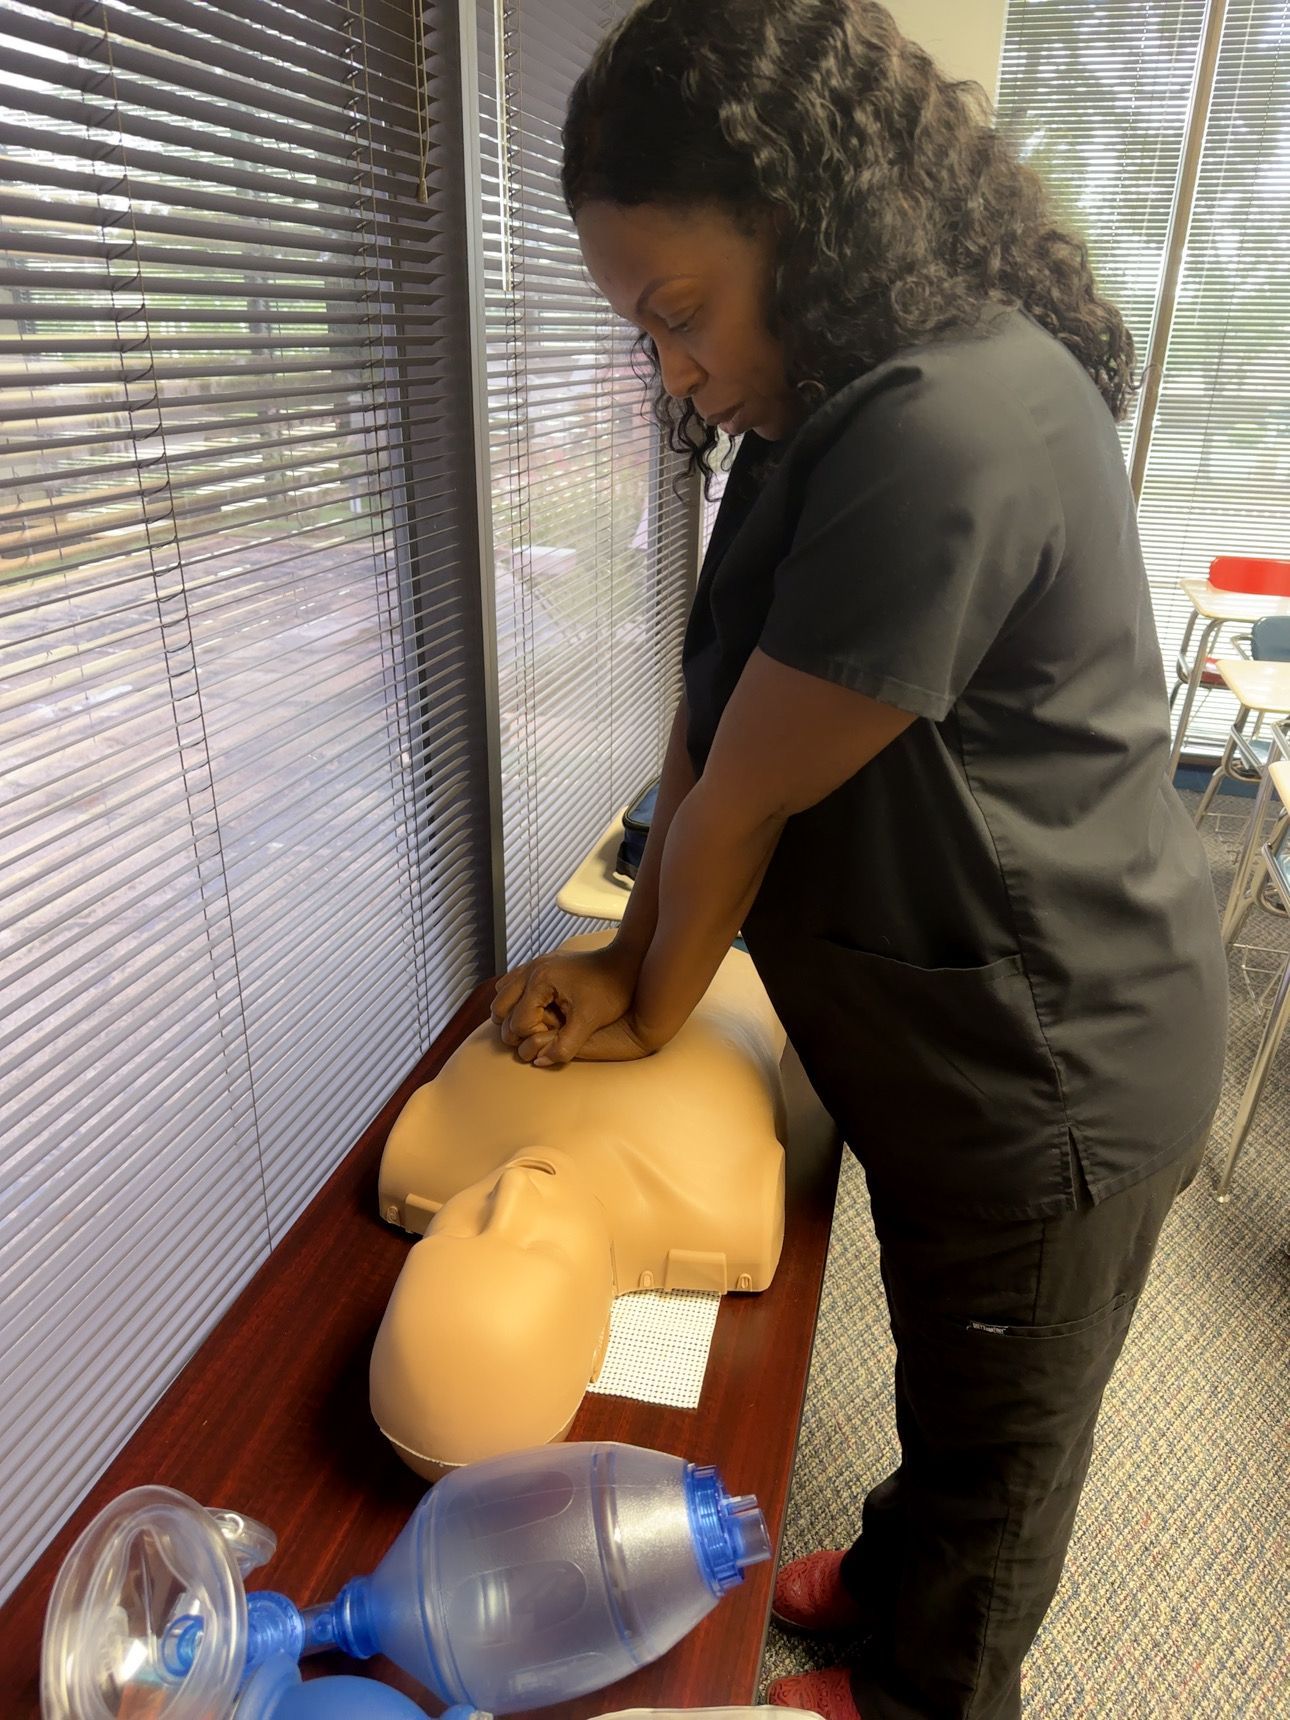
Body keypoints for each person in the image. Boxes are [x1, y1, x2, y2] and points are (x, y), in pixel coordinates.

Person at [490, 3, 1229, 1717]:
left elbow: (743, 796)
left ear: (806, 228)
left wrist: (643, 997)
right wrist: (623, 962)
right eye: (642, 327)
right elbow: (708, 705)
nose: (669, 365)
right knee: (953, 1374)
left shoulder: (943, 427)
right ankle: (893, 1570)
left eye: (680, 314)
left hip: (1055, 1070)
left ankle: (922, 1680)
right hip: (945, 1029)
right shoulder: (821, 402)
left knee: (1003, 1449)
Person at [370, 935, 790, 1473]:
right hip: (743, 958)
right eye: (536, 1248)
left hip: (583, 962)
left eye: (455, 1235)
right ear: (599, 1348)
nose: (511, 1193)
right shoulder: (722, 1203)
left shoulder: (422, 1152)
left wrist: (621, 958)